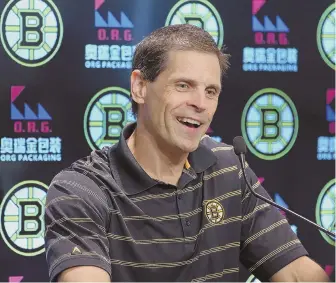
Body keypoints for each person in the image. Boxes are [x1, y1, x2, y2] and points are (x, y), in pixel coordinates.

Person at [44, 24, 330, 282]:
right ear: (140, 86)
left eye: (211, 91)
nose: (200, 104)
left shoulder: (229, 169)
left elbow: (296, 275)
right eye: (183, 86)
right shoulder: (81, 191)